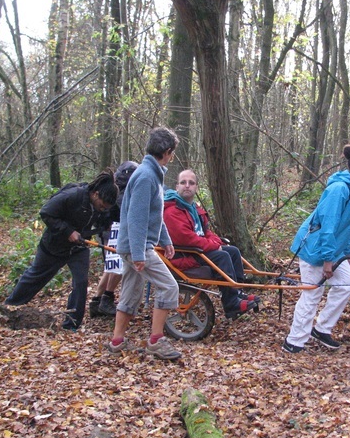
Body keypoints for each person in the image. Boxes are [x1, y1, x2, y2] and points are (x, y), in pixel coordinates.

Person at [282, 145, 350, 353]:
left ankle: (322, 329)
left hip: (333, 252)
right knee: (312, 294)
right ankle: (293, 342)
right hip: (316, 251)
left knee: (346, 282)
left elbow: (348, 224)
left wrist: (344, 254)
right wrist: (327, 260)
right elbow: (329, 225)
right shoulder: (338, 189)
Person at [5, 170, 118, 330]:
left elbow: (101, 217)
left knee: (81, 282)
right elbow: (46, 213)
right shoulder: (73, 196)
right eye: (101, 206)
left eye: (105, 208)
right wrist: (68, 231)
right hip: (54, 246)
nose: (102, 209)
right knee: (35, 277)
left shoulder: (100, 207)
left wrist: (104, 223)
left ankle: (71, 325)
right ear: (95, 194)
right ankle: (8, 308)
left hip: (78, 248)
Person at [106, 126, 182, 361]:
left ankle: (117, 341)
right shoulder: (146, 176)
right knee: (169, 286)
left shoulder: (152, 174)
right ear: (167, 152)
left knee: (131, 291)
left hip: (137, 245)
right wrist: (139, 253)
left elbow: (153, 215)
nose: (171, 157)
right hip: (136, 246)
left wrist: (166, 239)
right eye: (172, 153)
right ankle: (156, 340)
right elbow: (137, 218)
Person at [163, 169, 259, 320]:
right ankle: (231, 303)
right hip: (183, 254)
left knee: (233, 251)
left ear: (196, 188)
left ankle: (237, 292)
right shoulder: (172, 212)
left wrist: (216, 242)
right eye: (183, 182)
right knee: (222, 256)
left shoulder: (194, 209)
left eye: (191, 183)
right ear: (177, 187)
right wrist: (213, 245)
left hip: (197, 251)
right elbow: (186, 239)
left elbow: (205, 232)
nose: (187, 186)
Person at [89, 161, 139, 317]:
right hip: (114, 232)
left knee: (110, 267)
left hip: (108, 230)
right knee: (118, 266)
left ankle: (96, 301)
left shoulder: (116, 187)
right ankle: (106, 298)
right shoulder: (122, 192)